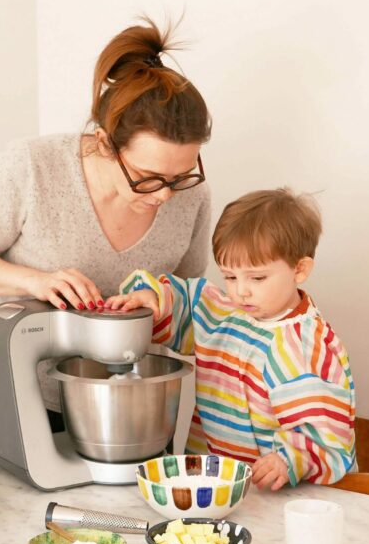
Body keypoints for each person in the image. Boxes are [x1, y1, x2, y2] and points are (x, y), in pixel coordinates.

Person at [0, 18, 213, 462]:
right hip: (14, 399)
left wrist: (164, 298)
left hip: (127, 413)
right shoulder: (31, 167)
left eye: (180, 176)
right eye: (147, 178)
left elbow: (190, 290)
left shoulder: (190, 194)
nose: (164, 195)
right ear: (103, 143)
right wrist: (34, 282)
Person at [106, 188, 356, 490]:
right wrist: (153, 299)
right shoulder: (223, 312)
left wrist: (289, 461)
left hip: (280, 495)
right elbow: (185, 302)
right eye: (230, 276)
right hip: (214, 486)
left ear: (299, 269)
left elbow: (327, 436)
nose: (241, 291)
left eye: (257, 278)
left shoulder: (306, 350)